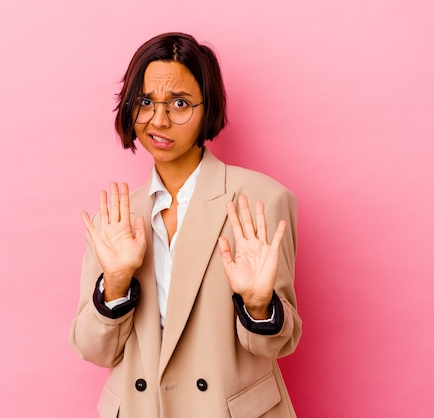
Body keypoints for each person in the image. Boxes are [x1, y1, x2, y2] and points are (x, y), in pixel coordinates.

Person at [69, 32, 302, 418]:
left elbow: (275, 345)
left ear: (207, 108)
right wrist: (116, 282)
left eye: (179, 103)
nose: (159, 120)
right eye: (145, 102)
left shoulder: (260, 201)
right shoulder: (117, 219)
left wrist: (259, 306)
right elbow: (95, 350)